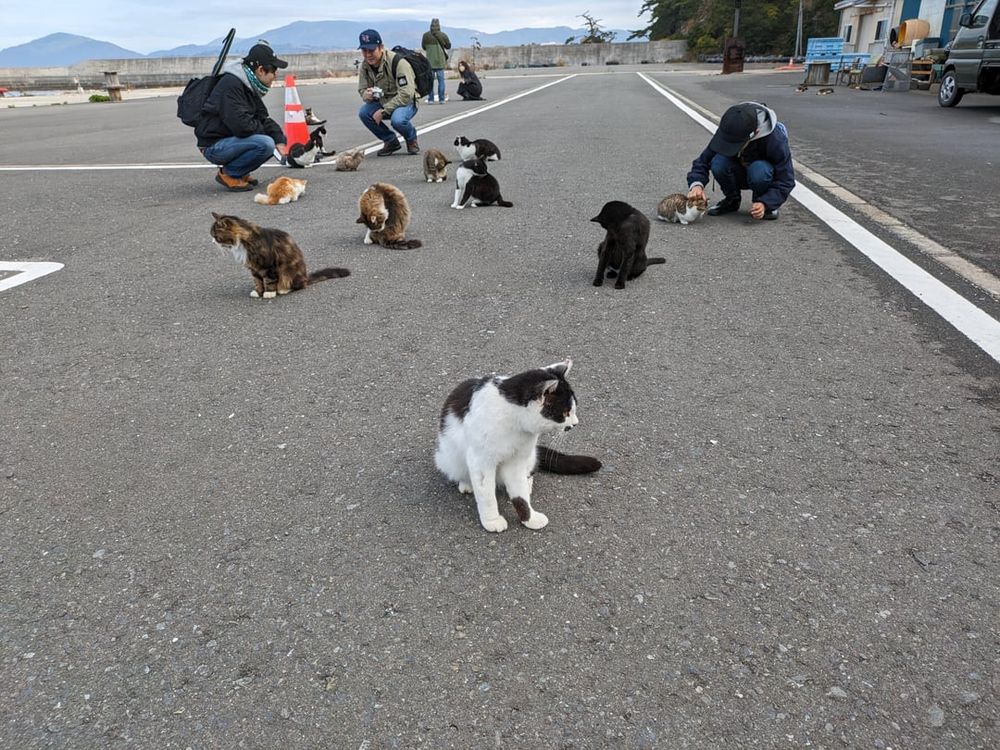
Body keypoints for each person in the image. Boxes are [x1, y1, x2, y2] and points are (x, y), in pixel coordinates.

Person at [196, 42, 289, 192]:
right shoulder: (231, 85)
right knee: (265, 144)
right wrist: (269, 137)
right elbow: (242, 127)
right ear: (260, 70)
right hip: (213, 145)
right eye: (273, 71)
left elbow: (263, 118)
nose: (275, 76)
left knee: (272, 141)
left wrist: (280, 140)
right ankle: (229, 173)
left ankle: (241, 172)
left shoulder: (248, 84)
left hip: (228, 140)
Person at [686, 101, 795, 221]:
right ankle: (732, 200)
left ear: (756, 133)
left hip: (761, 174)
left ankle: (762, 205)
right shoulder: (730, 127)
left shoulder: (775, 139)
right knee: (718, 162)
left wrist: (766, 202)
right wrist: (696, 185)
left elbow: (786, 180)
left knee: (759, 169)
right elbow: (703, 160)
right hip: (738, 170)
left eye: (736, 144)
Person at [357, 29, 420, 156]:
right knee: (364, 113)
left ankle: (411, 138)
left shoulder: (399, 63)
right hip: (383, 100)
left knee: (398, 120)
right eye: (364, 51)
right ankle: (390, 141)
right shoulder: (365, 66)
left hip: (405, 102)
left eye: (371, 50)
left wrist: (384, 111)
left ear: (381, 47)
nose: (368, 55)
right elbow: (362, 89)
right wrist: (366, 95)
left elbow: (406, 94)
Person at [421, 19, 452, 104]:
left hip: (429, 62)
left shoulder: (425, 36)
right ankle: (441, 99)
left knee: (430, 82)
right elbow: (448, 46)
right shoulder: (443, 35)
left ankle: (431, 99)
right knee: (441, 82)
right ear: (439, 25)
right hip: (440, 62)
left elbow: (423, 47)